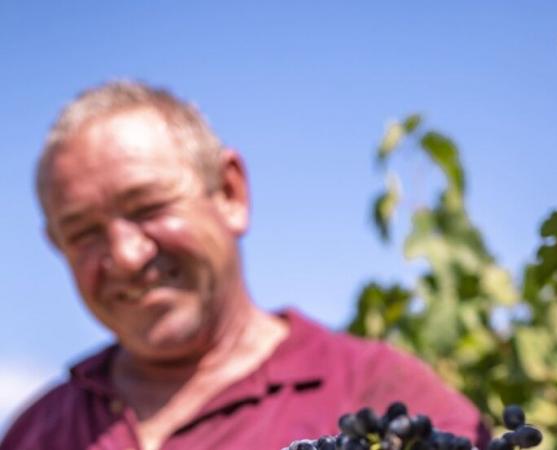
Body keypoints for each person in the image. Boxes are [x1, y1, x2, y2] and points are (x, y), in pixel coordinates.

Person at [0, 81, 489, 450]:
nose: (126, 257)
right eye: (83, 233)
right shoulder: (35, 433)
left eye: (148, 207)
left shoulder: (377, 390)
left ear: (231, 193)